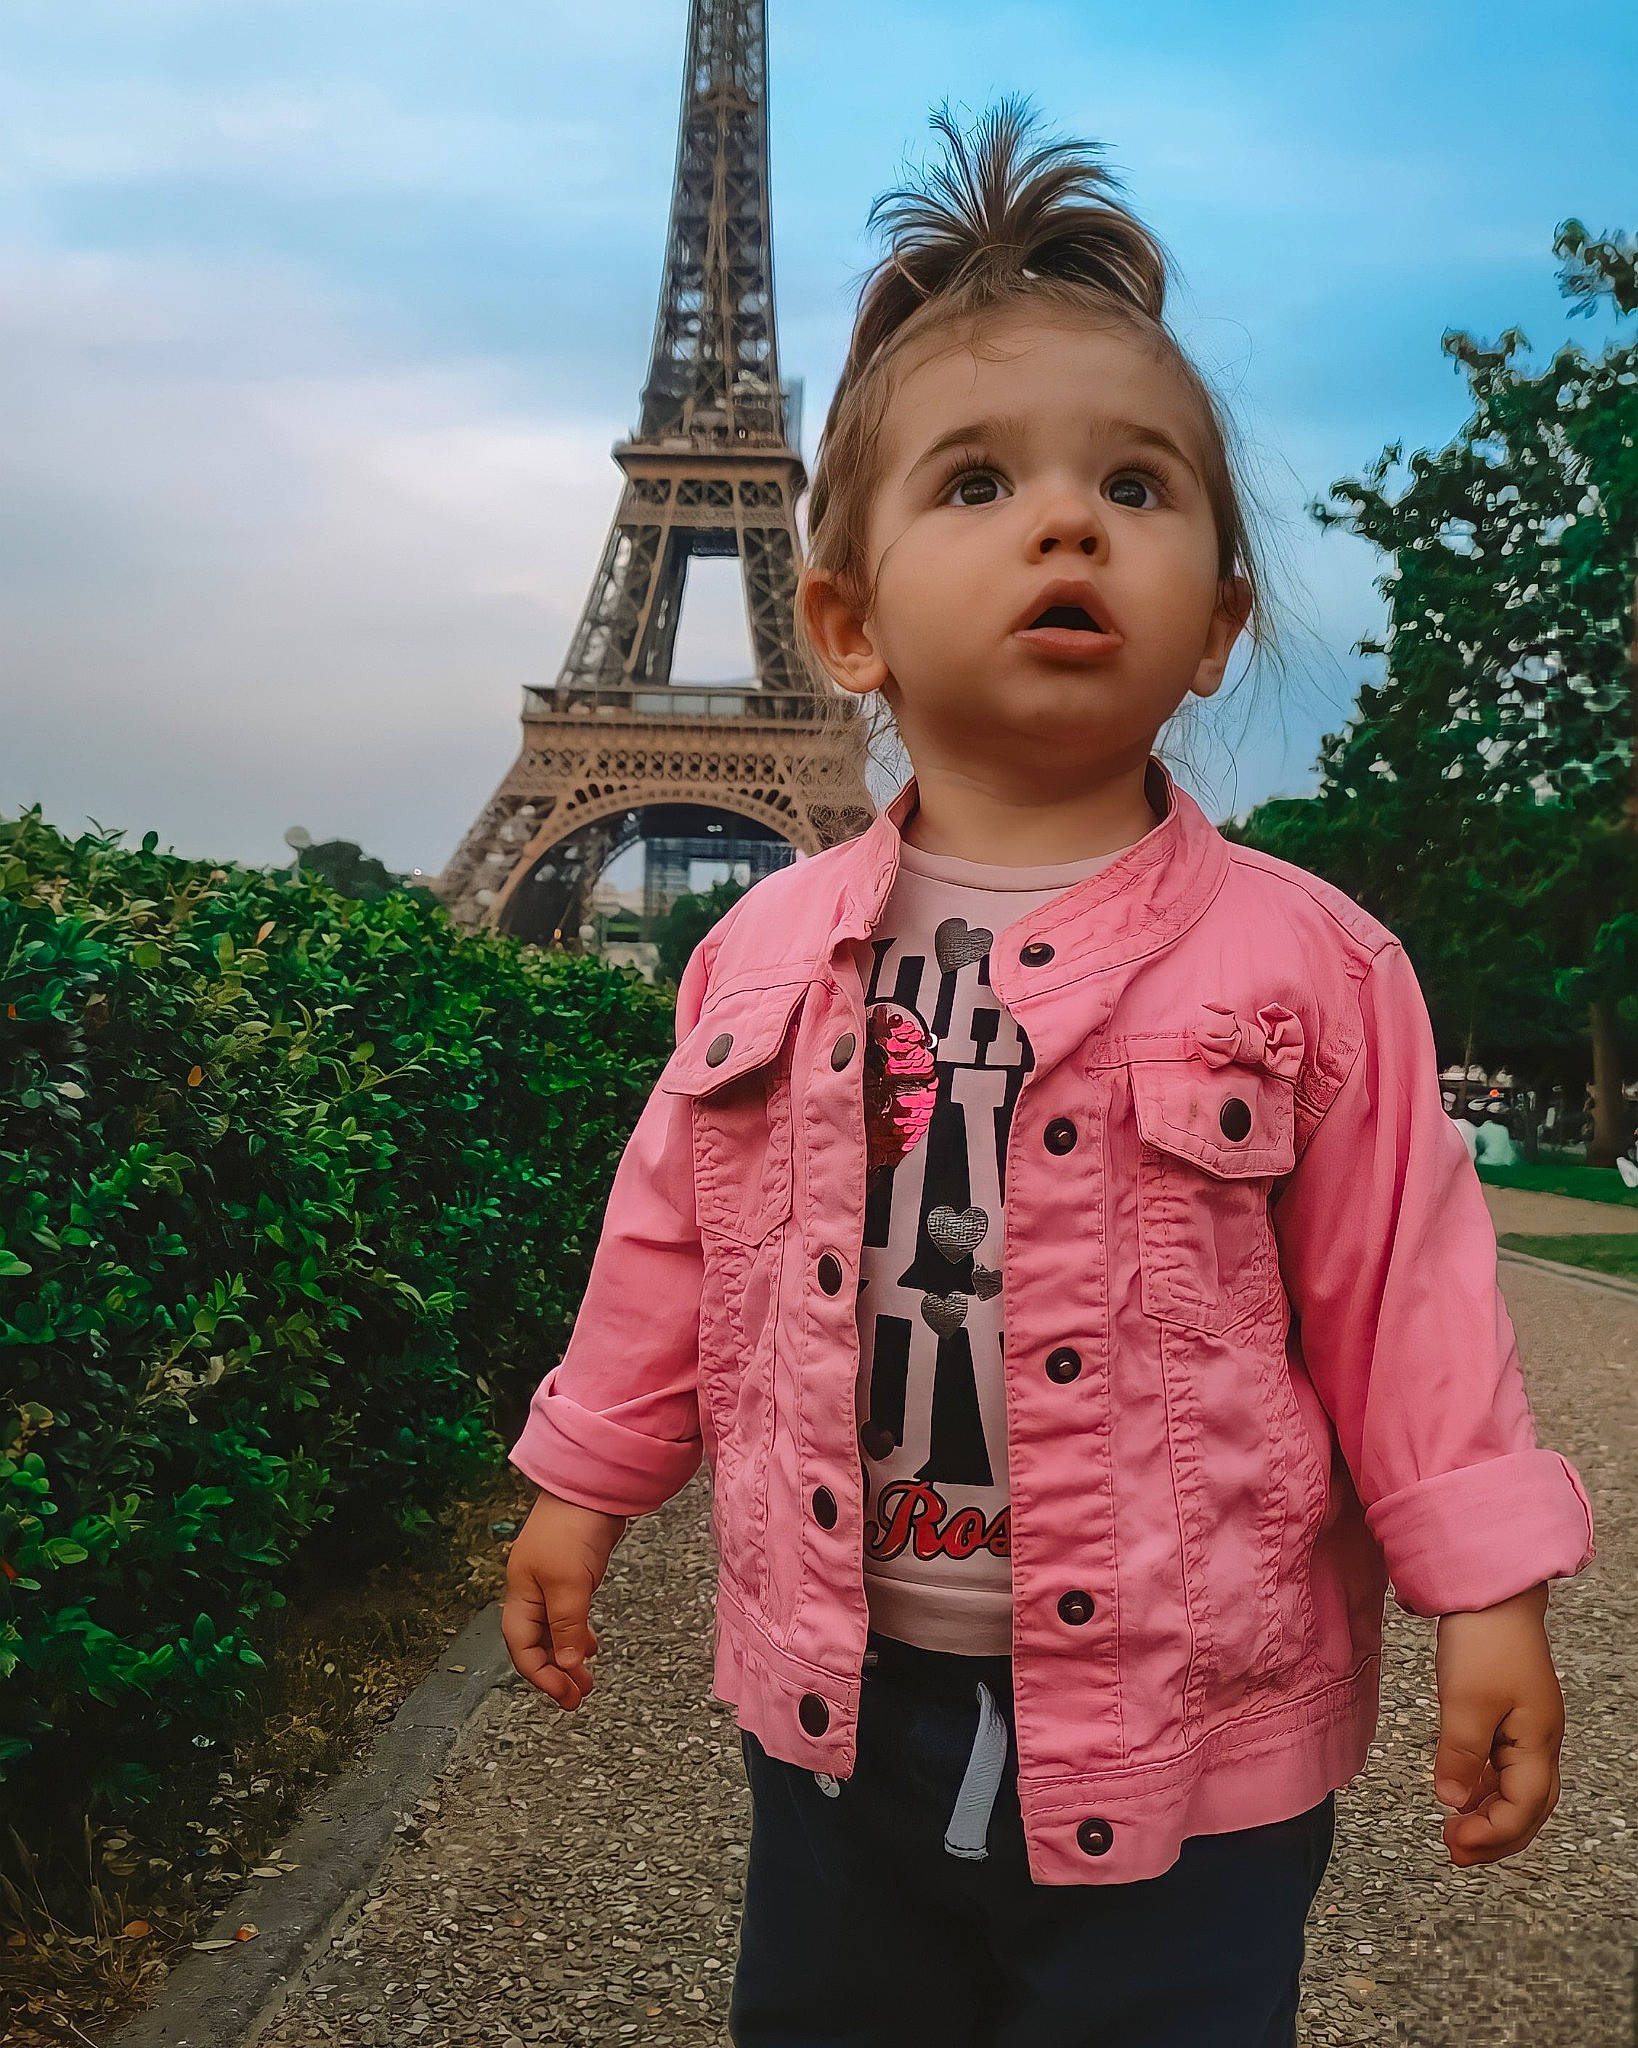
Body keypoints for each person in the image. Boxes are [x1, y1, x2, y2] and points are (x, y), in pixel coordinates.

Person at [500, 99, 1596, 2048]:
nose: (1068, 522)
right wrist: (583, 1484)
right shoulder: (759, 954)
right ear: (841, 620)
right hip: (839, 1701)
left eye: (1138, 485)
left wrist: (1486, 1590)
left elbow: (1406, 1301)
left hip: (1191, 1726)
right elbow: (669, 1243)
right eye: (980, 479)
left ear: (1218, 624)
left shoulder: (1314, 968)